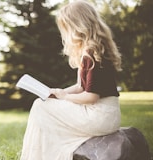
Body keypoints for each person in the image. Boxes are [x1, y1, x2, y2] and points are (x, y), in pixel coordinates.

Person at [20, 1, 122, 160]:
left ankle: (34, 156)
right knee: (43, 103)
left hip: (100, 116)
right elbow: (81, 87)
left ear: (77, 26)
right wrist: (57, 92)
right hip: (107, 114)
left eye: (66, 28)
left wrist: (64, 97)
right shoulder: (93, 49)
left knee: (40, 106)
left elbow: (90, 97)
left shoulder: (91, 53)